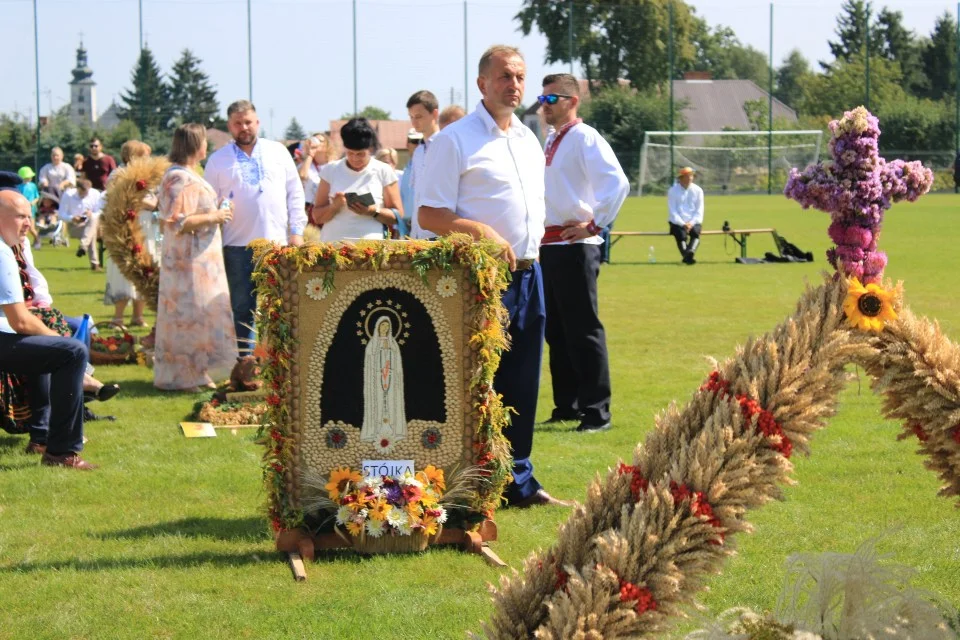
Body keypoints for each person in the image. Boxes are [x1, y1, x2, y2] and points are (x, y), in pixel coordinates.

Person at [419, 45, 570, 509]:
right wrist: (479, 231)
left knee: (522, 383)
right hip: (478, 281)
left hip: (529, 274)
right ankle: (461, 482)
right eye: (505, 76)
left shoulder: (528, 138)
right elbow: (428, 214)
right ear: (482, 83)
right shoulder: (455, 140)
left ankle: (517, 482)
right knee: (473, 383)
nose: (515, 84)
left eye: (520, 76)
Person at [538, 73, 629, 433]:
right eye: (542, 99)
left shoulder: (585, 137)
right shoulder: (550, 139)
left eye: (550, 99)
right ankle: (567, 404)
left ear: (572, 101)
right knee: (556, 330)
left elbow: (617, 182)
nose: (543, 106)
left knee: (583, 328)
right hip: (549, 245)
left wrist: (595, 225)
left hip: (575, 244)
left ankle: (597, 411)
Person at [0, 186, 95, 469]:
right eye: (20, 217)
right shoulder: (2, 253)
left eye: (29, 217)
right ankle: (60, 452)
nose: (28, 224)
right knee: (72, 352)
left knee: (50, 352)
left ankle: (42, 435)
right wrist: (60, 340)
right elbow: (21, 321)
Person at [204, 100, 306, 351]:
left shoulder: (278, 152)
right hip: (236, 246)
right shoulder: (218, 160)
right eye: (238, 123)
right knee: (241, 308)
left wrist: (296, 232)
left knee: (282, 305)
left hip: (277, 244)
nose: (244, 127)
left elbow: (295, 193)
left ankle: (281, 361)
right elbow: (208, 204)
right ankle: (245, 364)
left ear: (257, 122)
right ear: (229, 126)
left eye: (248, 122)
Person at [154, 123, 238, 391]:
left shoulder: (187, 174)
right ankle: (185, 375)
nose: (207, 146)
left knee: (200, 316)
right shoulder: (179, 177)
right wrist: (216, 215)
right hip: (187, 261)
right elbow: (177, 221)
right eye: (203, 141)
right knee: (188, 317)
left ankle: (199, 370)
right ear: (195, 145)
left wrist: (219, 210)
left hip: (200, 258)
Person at [312, 117, 401, 242]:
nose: (355, 158)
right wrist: (334, 207)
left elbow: (397, 216)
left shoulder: (383, 170)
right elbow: (317, 217)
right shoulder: (330, 170)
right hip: (334, 247)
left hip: (371, 248)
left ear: (370, 149)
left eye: (360, 154)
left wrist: (372, 211)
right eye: (350, 153)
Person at [103, 140, 152, 328]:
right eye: (144, 155)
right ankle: (117, 318)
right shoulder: (119, 174)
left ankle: (138, 316)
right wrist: (149, 203)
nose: (148, 159)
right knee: (124, 270)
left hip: (147, 227)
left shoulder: (147, 174)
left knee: (144, 269)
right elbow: (123, 199)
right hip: (126, 229)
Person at [406, 90, 440, 240]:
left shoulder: (446, 146)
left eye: (418, 116)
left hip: (440, 234)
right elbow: (417, 193)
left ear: (434, 114)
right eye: (411, 117)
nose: (414, 122)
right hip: (418, 233)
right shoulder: (418, 151)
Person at [59, 178, 103, 271]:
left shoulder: (95, 194)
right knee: (91, 233)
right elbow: (61, 214)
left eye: (87, 192)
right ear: (77, 188)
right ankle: (94, 263)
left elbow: (100, 211)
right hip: (75, 226)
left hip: (94, 225)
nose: (85, 194)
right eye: (83, 192)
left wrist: (91, 214)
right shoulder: (68, 195)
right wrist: (72, 218)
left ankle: (84, 246)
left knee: (93, 221)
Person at [667, 166, 704, 265]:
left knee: (696, 233)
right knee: (680, 234)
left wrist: (691, 223)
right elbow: (673, 211)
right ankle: (688, 255)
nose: (690, 178)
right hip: (677, 221)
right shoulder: (672, 191)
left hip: (694, 221)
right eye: (687, 176)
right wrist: (683, 224)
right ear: (681, 178)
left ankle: (688, 253)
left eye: (691, 176)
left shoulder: (698, 191)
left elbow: (699, 211)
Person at [298, 133, 334, 220]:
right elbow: (302, 176)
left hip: (327, 208)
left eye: (320, 141)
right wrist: (310, 155)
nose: (315, 143)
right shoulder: (306, 165)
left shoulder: (333, 165)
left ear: (327, 145)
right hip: (309, 206)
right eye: (313, 140)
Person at [398, 129, 423, 238]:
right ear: (407, 144)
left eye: (421, 141)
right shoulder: (405, 169)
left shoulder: (427, 166)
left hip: (422, 225)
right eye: (414, 141)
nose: (418, 144)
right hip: (404, 224)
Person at [16, 167, 41, 250]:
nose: (30, 178)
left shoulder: (33, 186)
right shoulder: (18, 186)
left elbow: (37, 196)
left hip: (31, 210)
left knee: (31, 228)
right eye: (27, 177)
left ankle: (38, 240)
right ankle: (20, 243)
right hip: (20, 209)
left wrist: (33, 202)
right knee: (20, 227)